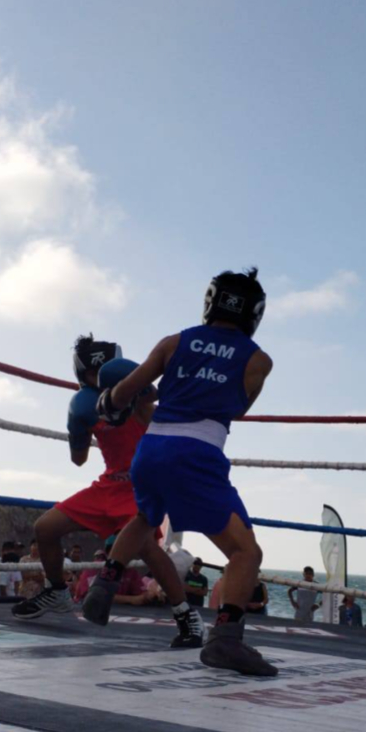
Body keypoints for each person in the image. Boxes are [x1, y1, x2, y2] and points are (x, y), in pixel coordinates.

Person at [85, 268, 277, 676]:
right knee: (247, 552)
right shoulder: (259, 360)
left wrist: (110, 403)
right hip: (197, 453)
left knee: (146, 516)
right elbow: (237, 408)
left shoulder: (174, 342)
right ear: (255, 312)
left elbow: (119, 396)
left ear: (211, 301)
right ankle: (225, 640)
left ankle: (104, 585)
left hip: (150, 449)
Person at [14, 336, 204, 648]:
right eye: (93, 373)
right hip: (107, 485)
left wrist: (138, 397)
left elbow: (161, 422)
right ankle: (58, 592)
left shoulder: (140, 400)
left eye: (106, 371)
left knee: (148, 549)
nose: (100, 379)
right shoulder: (86, 405)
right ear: (83, 375)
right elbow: (78, 460)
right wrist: (78, 426)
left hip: (140, 485)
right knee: (45, 528)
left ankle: (186, 616)